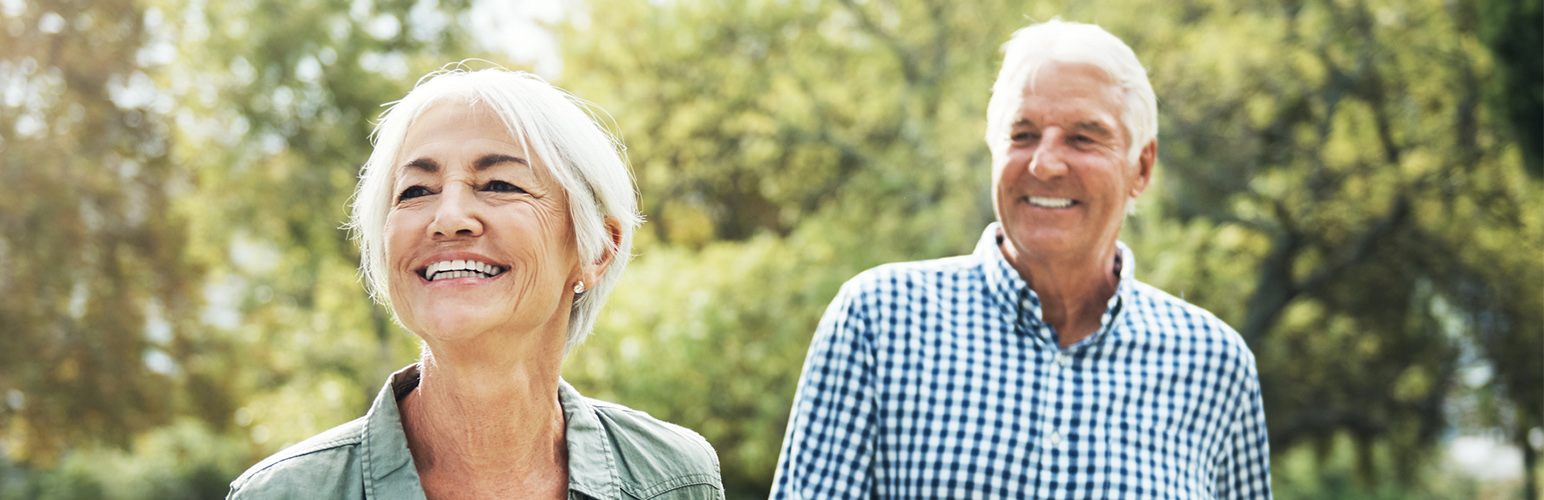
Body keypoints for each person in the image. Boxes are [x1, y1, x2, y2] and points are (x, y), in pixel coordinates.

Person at [769, 20, 1271, 499]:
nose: (1045, 163)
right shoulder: (879, 320)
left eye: (1083, 137)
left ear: (1141, 168)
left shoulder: (1216, 365)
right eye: (1023, 134)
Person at [228, 66, 724, 499]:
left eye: (500, 184)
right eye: (416, 190)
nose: (449, 217)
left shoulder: (676, 478)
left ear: (596, 249)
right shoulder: (283, 493)